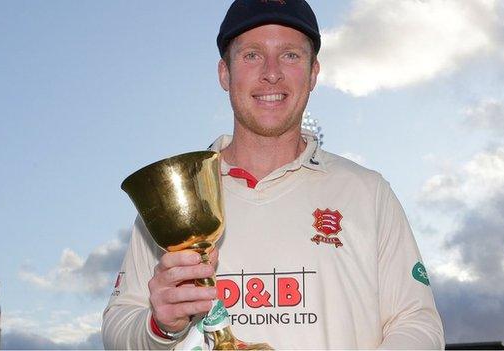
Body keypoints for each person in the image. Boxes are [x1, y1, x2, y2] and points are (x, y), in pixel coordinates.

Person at [102, 0, 445, 349]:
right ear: (225, 73)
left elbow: (415, 321)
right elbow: (118, 327)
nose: (271, 72)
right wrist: (159, 326)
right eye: (252, 54)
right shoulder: (172, 200)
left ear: (313, 73)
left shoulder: (368, 192)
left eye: (290, 55)